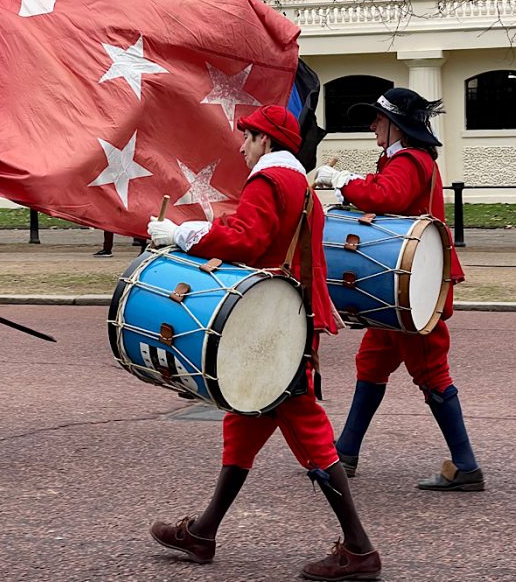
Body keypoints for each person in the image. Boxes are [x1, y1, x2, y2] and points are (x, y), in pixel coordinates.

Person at [147, 105, 381, 581]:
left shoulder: (269, 180)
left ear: (266, 142)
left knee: (308, 431)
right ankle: (204, 531)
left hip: (274, 324)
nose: (242, 145)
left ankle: (359, 550)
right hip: (285, 318)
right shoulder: (298, 186)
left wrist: (183, 234)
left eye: (247, 137)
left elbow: (248, 241)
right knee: (244, 423)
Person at [314, 87, 484, 492]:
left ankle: (465, 465)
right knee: (371, 363)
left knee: (431, 371)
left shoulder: (408, 159)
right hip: (399, 288)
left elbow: (386, 197)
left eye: (378, 119)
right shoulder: (402, 158)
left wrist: (342, 179)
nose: (372, 125)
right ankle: (346, 453)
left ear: (396, 125)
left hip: (412, 289)